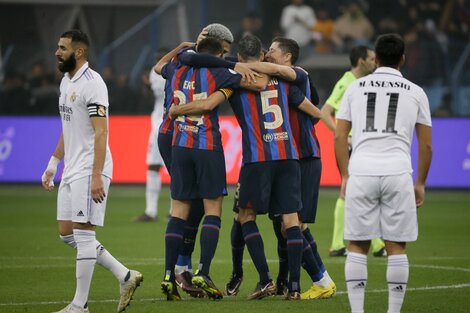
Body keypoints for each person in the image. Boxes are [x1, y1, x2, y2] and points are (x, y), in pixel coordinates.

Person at [170, 34, 323, 300]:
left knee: (245, 217)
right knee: (290, 220)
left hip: (257, 159)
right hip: (288, 157)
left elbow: (207, 97)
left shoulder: (236, 80)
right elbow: (315, 111)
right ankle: (294, 287)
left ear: (239, 58)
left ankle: (264, 279)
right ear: (263, 56)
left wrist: (177, 110)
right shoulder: (289, 80)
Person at [41, 30, 142, 313]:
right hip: (71, 168)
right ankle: (125, 275)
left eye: (62, 48)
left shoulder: (93, 83)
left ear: (79, 52)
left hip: (90, 168)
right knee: (66, 234)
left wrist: (97, 175)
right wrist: (53, 163)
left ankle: (79, 305)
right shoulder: (66, 81)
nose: (57, 52)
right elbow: (68, 126)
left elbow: (101, 133)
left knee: (84, 237)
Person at [155, 36, 263, 301]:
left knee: (178, 211)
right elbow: (258, 85)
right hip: (207, 147)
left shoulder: (177, 68)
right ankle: (202, 271)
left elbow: (159, 66)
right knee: (212, 208)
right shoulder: (220, 72)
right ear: (217, 54)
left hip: (178, 144)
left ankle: (169, 274)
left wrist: (179, 49)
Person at [335, 33, 432, 313]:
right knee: (396, 246)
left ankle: (357, 311)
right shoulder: (416, 92)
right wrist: (421, 183)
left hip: (362, 171)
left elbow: (340, 137)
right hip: (398, 172)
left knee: (357, 244)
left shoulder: (355, 88)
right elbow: (426, 144)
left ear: (375, 58)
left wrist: (344, 175)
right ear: (403, 58)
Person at [320, 45, 386, 257]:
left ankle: (375, 244)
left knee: (361, 191)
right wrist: (344, 134)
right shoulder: (346, 82)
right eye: (371, 58)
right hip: (351, 146)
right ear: (361, 61)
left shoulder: (364, 83)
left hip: (363, 145)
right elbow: (325, 112)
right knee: (349, 190)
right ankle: (338, 244)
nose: (375, 62)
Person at [133, 49, 168, 222]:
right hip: (156, 125)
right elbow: (153, 97)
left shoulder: (177, 71)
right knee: (153, 165)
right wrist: (146, 86)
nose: (158, 62)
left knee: (176, 169)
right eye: (156, 58)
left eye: (161, 58)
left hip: (173, 124)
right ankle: (150, 211)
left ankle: (175, 212)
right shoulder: (156, 72)